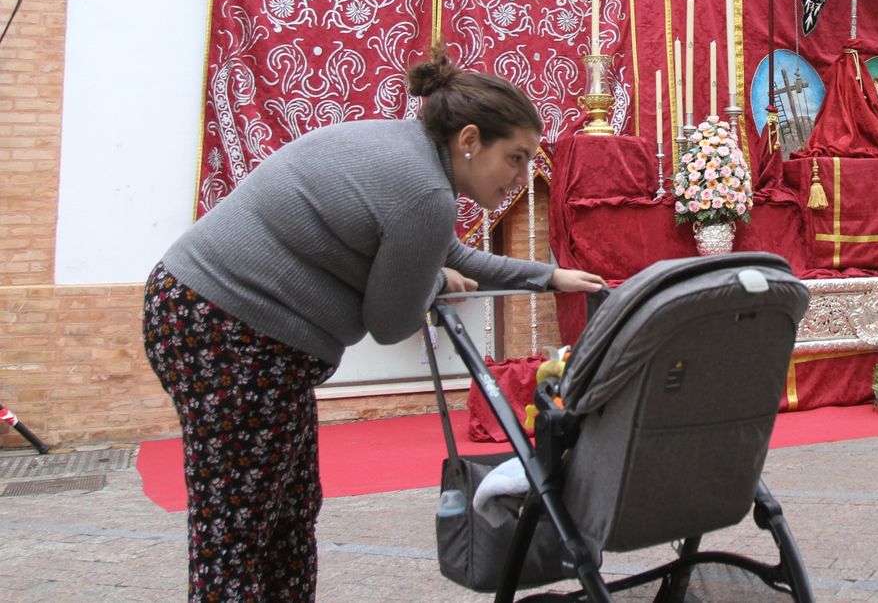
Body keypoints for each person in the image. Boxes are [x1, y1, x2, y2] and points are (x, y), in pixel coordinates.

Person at [143, 46, 605, 602]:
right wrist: (434, 283)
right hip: (227, 331)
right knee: (237, 532)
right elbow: (390, 322)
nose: (521, 176)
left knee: (287, 513)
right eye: (516, 158)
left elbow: (448, 253)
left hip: (208, 316)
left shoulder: (408, 155)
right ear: (470, 141)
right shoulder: (426, 193)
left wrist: (547, 277)